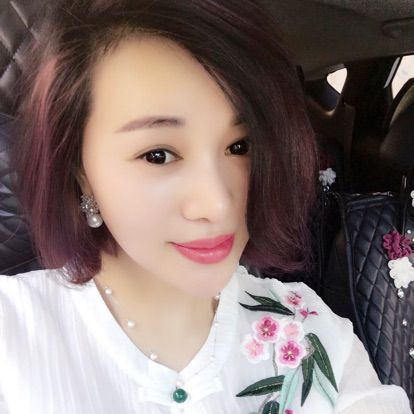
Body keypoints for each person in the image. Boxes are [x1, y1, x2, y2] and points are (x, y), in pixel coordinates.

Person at [0, 0, 411, 413]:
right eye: (158, 155)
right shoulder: (12, 335)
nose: (218, 203)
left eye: (240, 147)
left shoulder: (314, 335)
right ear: (80, 170)